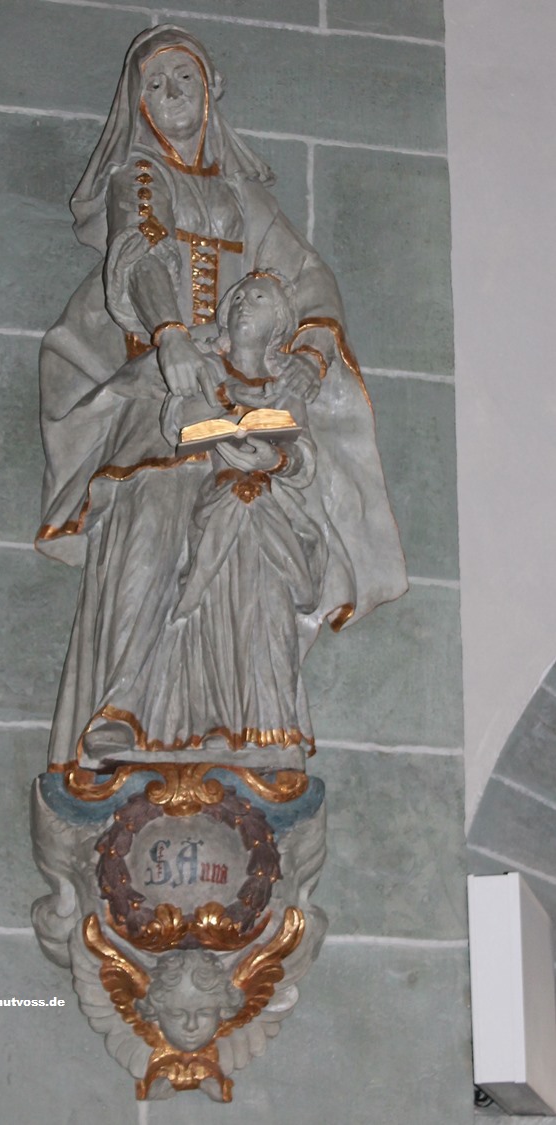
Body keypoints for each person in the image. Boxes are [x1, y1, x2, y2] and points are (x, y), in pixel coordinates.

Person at [36, 27, 407, 772]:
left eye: (184, 78)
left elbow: (309, 280)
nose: (171, 94)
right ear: (138, 106)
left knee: (250, 518)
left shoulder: (244, 197)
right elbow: (139, 252)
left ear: (211, 92)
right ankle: (124, 707)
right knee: (155, 505)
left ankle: (245, 719)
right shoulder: (138, 177)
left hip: (242, 390)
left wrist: (306, 364)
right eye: (155, 84)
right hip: (163, 386)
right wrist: (172, 335)